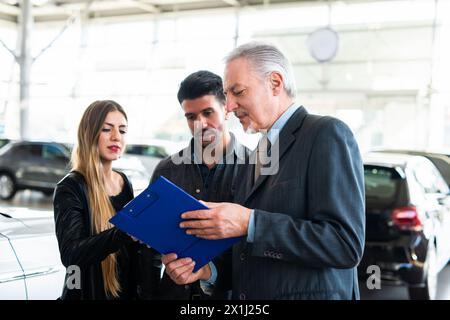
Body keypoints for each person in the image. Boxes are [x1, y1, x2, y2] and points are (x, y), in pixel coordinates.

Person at [165, 42, 366, 300]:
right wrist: (207, 271)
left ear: (275, 83)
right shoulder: (258, 153)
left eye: (238, 92)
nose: (229, 107)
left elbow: (344, 244)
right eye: (228, 96)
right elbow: (250, 255)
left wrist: (250, 222)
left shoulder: (325, 134)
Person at [138, 70, 249, 300]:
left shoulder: (254, 169)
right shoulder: (167, 170)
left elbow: (254, 249)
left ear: (227, 108)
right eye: (191, 117)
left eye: (208, 112)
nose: (200, 124)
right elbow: (149, 250)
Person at [53, 100, 161, 300]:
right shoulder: (71, 187)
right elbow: (71, 255)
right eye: (106, 129)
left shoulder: (123, 181)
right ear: (89, 134)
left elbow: (129, 252)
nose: (116, 137)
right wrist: (124, 231)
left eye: (122, 130)